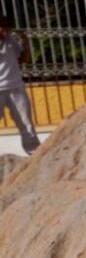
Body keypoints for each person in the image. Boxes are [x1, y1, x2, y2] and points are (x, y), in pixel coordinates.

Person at [0, 15, 40, 155]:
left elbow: (23, 59)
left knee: (25, 122)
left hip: (16, 87)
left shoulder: (11, 40)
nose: (5, 30)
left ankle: (33, 151)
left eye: (6, 27)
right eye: (2, 27)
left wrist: (25, 44)